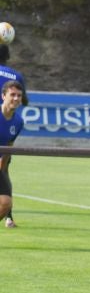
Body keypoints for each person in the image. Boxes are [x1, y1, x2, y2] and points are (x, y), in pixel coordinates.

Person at [0, 45, 27, 228]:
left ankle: (8, 216)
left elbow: (9, 146)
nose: (16, 99)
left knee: (5, 202)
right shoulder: (14, 73)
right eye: (12, 95)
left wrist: (1, 167)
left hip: (1, 162)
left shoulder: (18, 122)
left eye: (19, 96)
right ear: (3, 96)